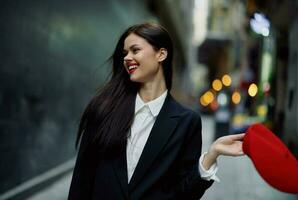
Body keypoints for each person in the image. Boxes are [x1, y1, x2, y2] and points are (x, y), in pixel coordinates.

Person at [68, 22, 245, 200]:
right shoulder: (104, 109)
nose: (127, 58)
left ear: (161, 54)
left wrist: (211, 155)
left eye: (135, 50)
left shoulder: (186, 122)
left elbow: (182, 194)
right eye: (125, 53)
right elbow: (82, 181)